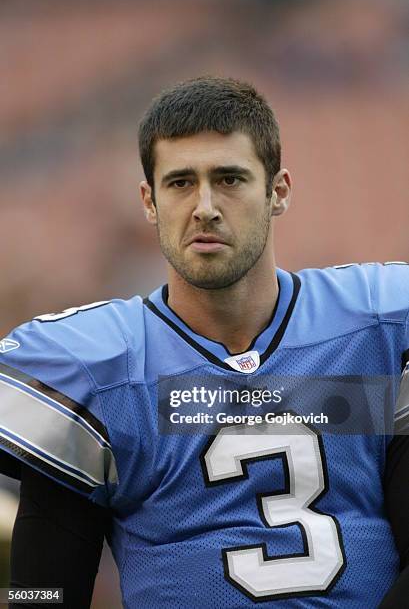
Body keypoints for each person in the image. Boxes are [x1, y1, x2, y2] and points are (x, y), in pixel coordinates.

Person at [0, 76, 408, 608]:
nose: (205, 206)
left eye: (230, 178)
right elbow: (43, 594)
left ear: (277, 191)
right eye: (180, 183)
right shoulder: (96, 368)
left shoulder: (379, 328)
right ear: (149, 201)